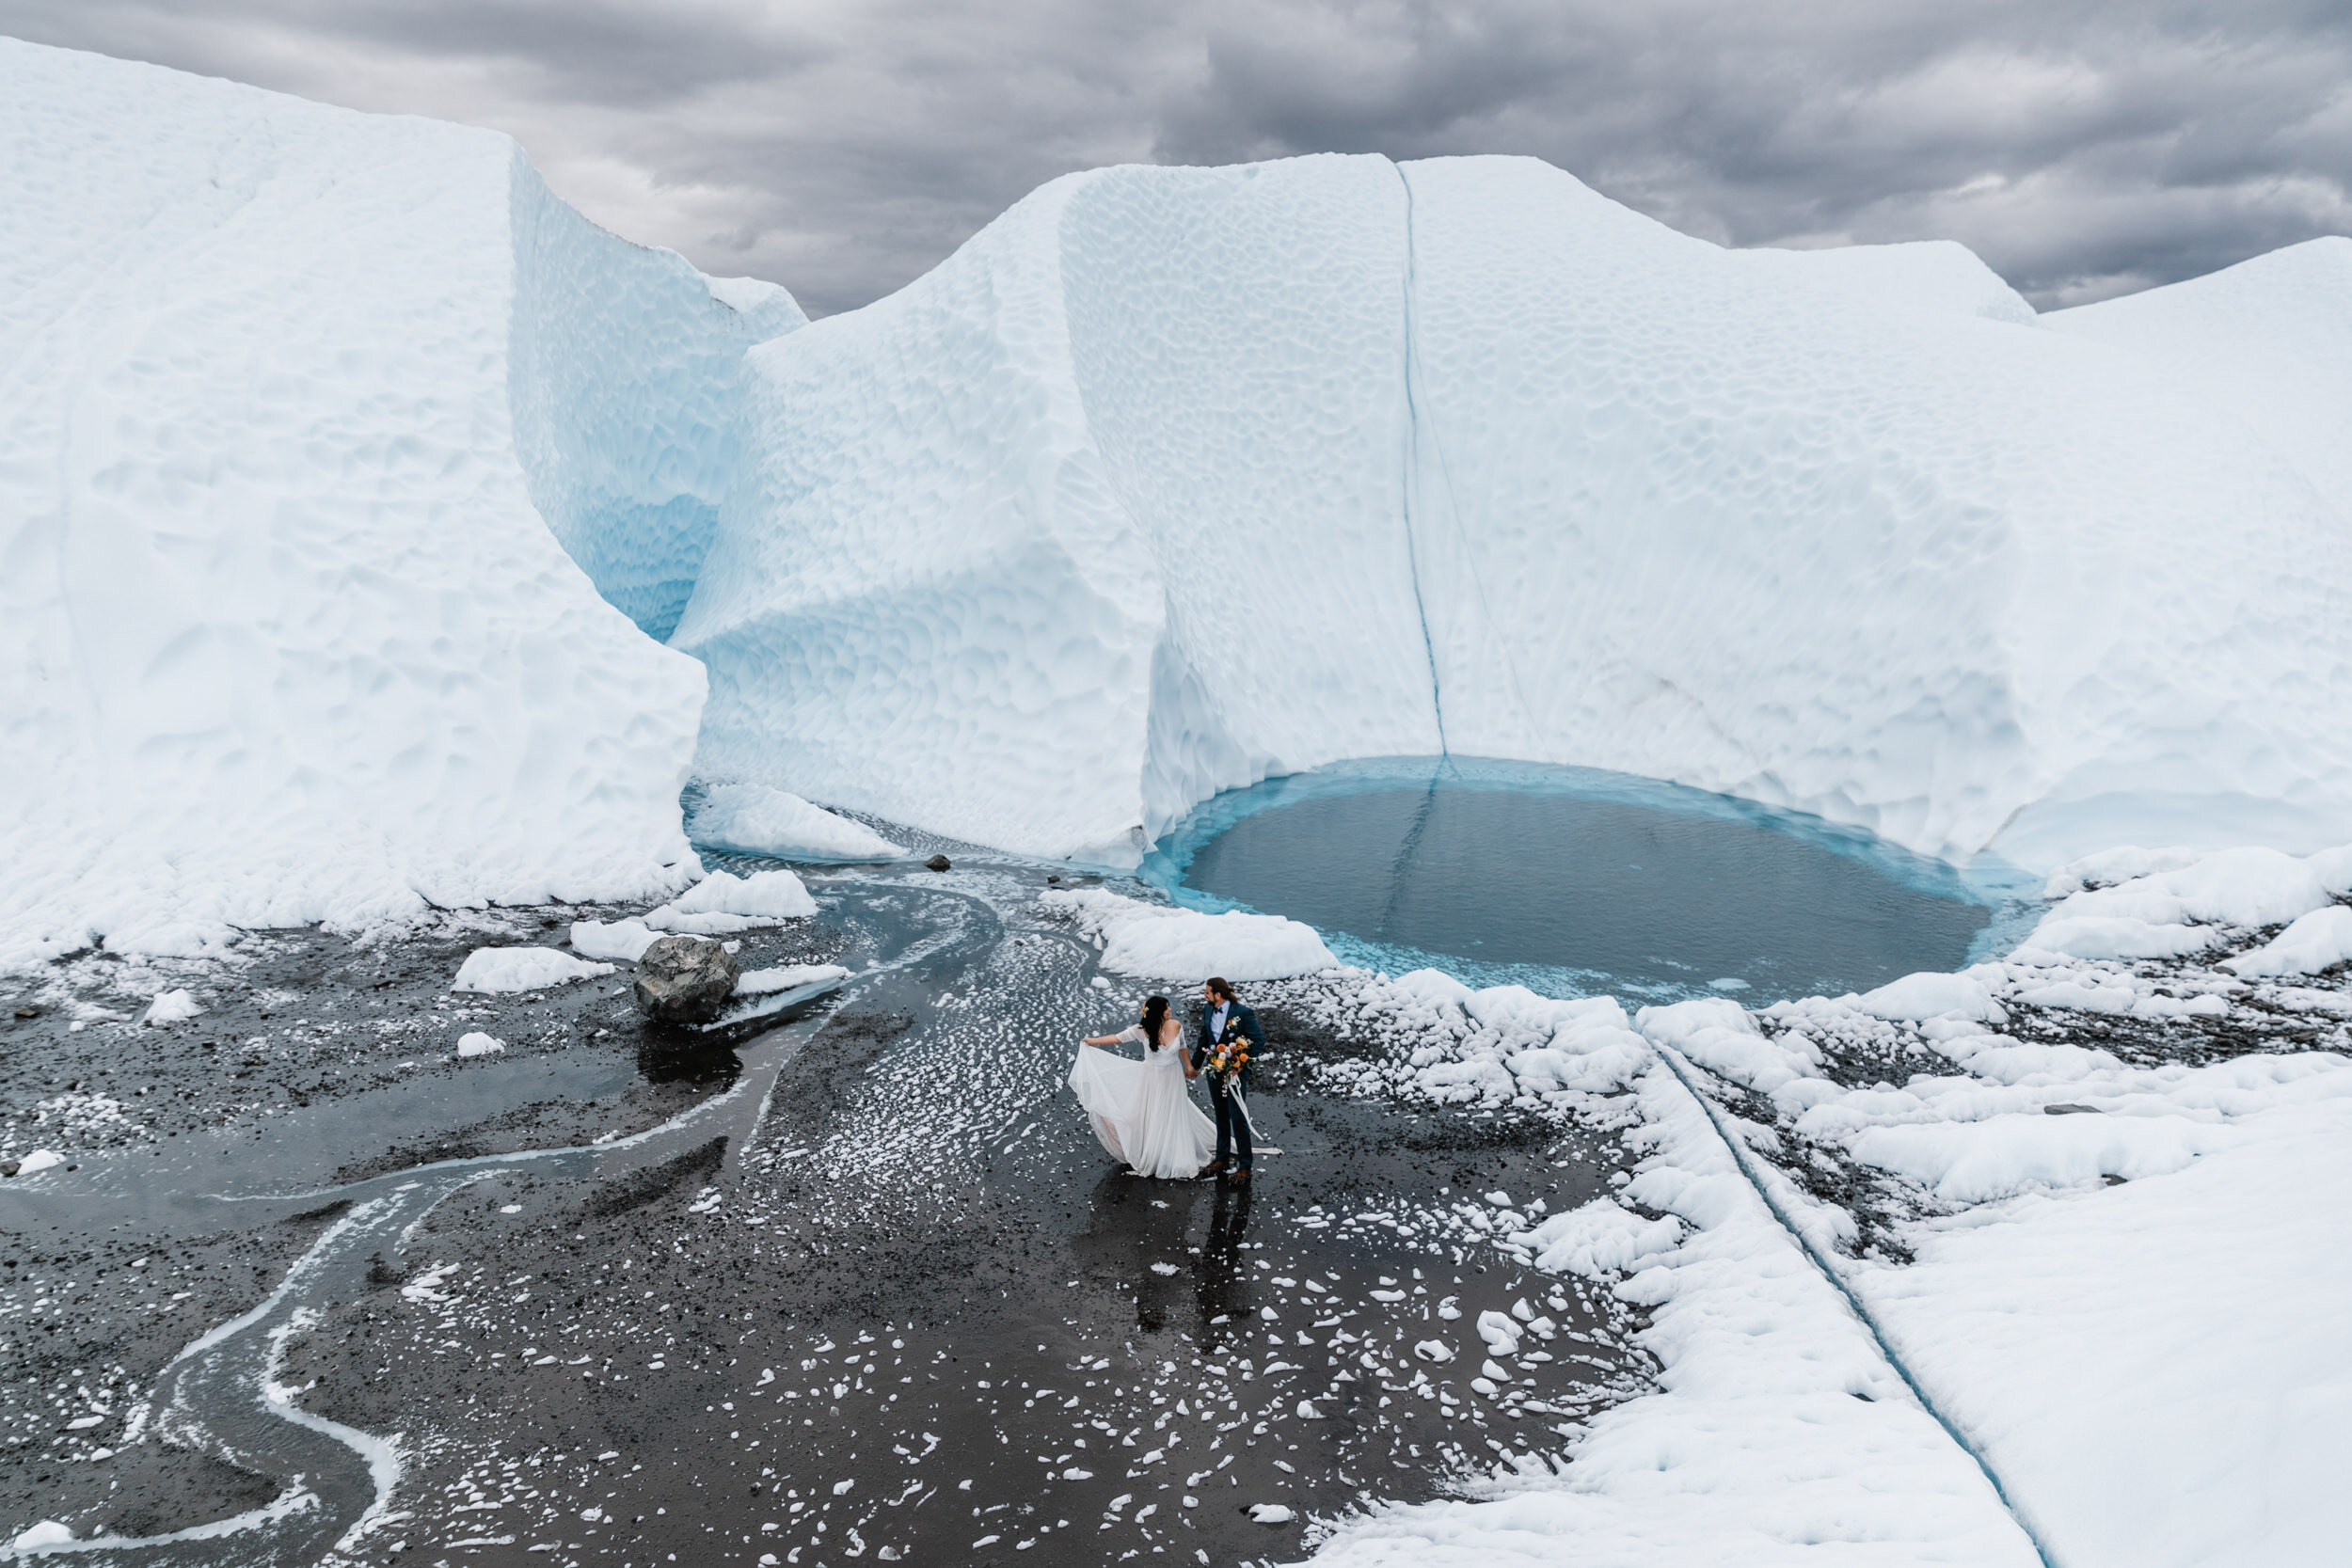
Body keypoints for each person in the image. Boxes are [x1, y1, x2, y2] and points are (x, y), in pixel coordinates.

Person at [1069, 994, 1216, 1180]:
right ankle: (1153, 1152)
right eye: (1167, 1007)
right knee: (1152, 1113)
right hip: (1152, 1077)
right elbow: (1116, 1038)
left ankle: (1175, 1153)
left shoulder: (1176, 1025)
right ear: (1158, 1012)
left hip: (1173, 1077)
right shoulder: (1141, 1029)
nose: (1170, 1010)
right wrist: (1092, 1041)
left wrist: (1189, 1066)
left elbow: (1183, 1047)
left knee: (1172, 1112)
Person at [1192, 976, 1264, 1184]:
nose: (1205, 995)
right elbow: (1204, 1038)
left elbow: (1258, 1040)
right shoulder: (1208, 1010)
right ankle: (1221, 1159)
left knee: (1238, 1117)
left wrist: (1242, 1065)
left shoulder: (1242, 1013)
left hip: (1235, 1073)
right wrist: (1195, 1066)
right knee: (1221, 1114)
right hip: (1215, 1069)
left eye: (1207, 992)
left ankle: (1245, 1166)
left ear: (1219, 994)